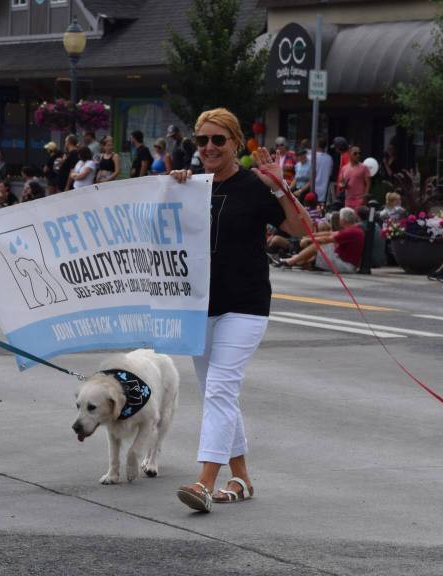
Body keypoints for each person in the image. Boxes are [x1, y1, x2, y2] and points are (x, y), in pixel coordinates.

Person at [169, 107, 311, 512]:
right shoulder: (190, 186)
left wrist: (281, 187)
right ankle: (242, 478)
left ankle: (204, 482)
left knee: (220, 388)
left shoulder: (252, 186)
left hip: (245, 305)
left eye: (219, 140)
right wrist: (172, 186)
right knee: (218, 395)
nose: (210, 148)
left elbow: (300, 231)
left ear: (235, 143)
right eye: (202, 141)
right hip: (200, 306)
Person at [277, 207, 364, 273]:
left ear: (343, 220)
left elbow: (326, 239)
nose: (339, 220)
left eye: (340, 218)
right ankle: (294, 260)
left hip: (346, 265)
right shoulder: (353, 229)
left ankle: (291, 261)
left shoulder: (351, 232)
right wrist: (310, 236)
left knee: (317, 245)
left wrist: (309, 240)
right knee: (315, 253)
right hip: (344, 261)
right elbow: (329, 234)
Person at [338, 146, 370, 211]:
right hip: (348, 200)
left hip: (360, 199)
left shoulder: (364, 167)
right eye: (355, 153)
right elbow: (341, 182)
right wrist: (342, 185)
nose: (358, 155)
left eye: (359, 153)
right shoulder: (344, 168)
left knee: (358, 219)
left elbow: (368, 183)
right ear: (350, 154)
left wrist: (365, 197)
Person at [313, 138, 334, 205]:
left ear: (317, 145)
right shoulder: (329, 158)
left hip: (312, 189)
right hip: (324, 190)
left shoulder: (312, 156)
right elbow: (330, 174)